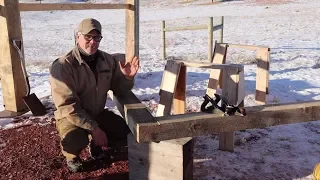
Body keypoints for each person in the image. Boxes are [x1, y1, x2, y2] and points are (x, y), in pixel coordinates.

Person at [49, 18, 139, 172]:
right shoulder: (63, 66)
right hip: (71, 117)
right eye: (88, 37)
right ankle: (72, 157)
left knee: (123, 131)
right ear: (78, 37)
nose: (93, 42)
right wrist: (94, 129)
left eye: (97, 38)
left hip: (96, 112)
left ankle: (96, 146)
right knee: (75, 139)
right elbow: (67, 106)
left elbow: (119, 90)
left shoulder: (107, 60)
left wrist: (127, 78)